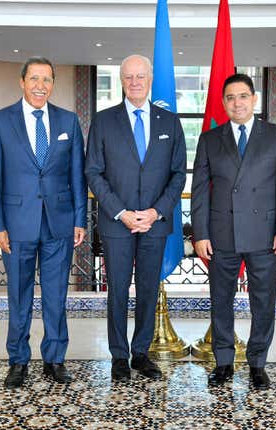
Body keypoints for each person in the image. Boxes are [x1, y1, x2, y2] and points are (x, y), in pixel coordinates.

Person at [0, 56, 87, 389]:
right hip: (15, 226)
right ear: (22, 82)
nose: (41, 86)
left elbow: (77, 176)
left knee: (56, 296)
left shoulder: (68, 122)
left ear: (53, 84)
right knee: (19, 295)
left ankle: (55, 359)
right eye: (35, 79)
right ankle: (18, 360)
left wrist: (80, 219)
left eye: (47, 80)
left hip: (59, 224)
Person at [191, 73, 276, 389]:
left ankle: (257, 363)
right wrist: (200, 233)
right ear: (223, 102)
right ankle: (223, 362)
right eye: (230, 97)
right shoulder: (210, 139)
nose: (237, 102)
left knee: (262, 301)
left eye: (242, 96)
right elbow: (198, 190)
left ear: (254, 99)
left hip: (264, 235)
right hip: (221, 234)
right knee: (220, 299)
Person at [85, 54, 186, 382]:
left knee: (147, 289)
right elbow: (94, 172)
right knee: (116, 289)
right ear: (121, 81)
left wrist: (156, 211)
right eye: (129, 77)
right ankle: (118, 355)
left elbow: (177, 174)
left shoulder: (170, 122)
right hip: (117, 223)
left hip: (155, 224)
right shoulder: (103, 121)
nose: (135, 82)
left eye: (140, 76)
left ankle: (140, 353)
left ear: (150, 79)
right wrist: (122, 212)